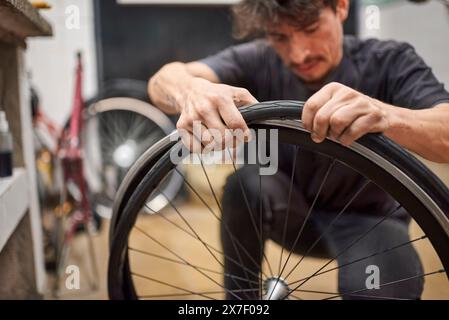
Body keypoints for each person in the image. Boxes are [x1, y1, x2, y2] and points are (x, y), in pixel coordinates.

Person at [148, 0, 449, 299]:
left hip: (369, 222)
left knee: (381, 291)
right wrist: (189, 90)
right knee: (245, 184)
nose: (298, 53)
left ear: (341, 8)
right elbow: (163, 80)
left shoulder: (390, 60)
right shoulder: (259, 59)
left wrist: (388, 115)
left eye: (311, 28)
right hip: (290, 213)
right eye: (280, 37)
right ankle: (241, 302)